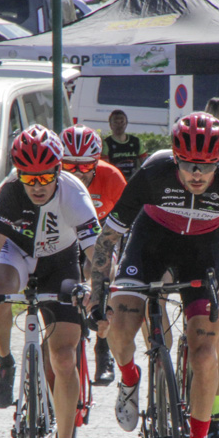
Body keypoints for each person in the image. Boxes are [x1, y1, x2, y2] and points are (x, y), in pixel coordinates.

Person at [87, 112, 219, 438]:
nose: (197, 174)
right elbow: (109, 238)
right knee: (120, 325)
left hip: (203, 252)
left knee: (205, 352)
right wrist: (97, 296)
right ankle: (129, 378)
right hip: (150, 244)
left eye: (207, 166)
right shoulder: (153, 172)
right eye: (189, 165)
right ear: (175, 158)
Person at [0, 125, 101, 438]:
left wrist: (92, 287)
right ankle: (5, 361)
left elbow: (97, 256)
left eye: (44, 176)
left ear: (59, 170)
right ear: (18, 173)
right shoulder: (10, 192)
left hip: (61, 262)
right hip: (18, 255)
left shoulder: (74, 193)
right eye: (29, 177)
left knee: (64, 358)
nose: (37, 185)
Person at [60, 124, 127, 385]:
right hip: (68, 235)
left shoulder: (112, 178)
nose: (77, 173)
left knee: (95, 271)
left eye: (86, 167)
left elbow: (129, 221)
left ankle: (102, 348)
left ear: (97, 162)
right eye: (69, 166)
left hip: (102, 235)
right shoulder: (56, 181)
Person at [103, 109, 146, 180]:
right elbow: (106, 168)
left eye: (122, 122)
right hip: (115, 180)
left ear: (126, 123)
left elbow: (145, 164)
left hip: (133, 181)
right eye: (115, 122)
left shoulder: (136, 142)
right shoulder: (106, 143)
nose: (119, 125)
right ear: (110, 125)